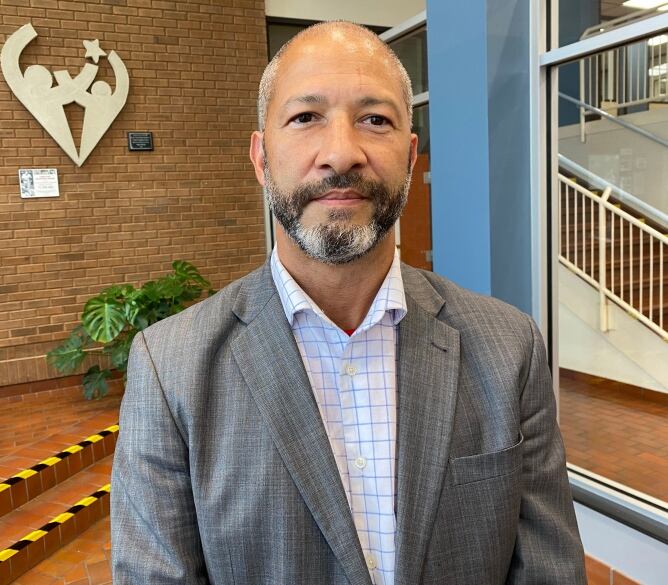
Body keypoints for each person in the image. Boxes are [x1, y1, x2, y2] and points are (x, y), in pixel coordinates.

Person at [111, 21, 586, 585]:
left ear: (411, 156)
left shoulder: (509, 348)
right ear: (261, 158)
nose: (342, 153)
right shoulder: (172, 368)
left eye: (374, 120)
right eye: (306, 117)